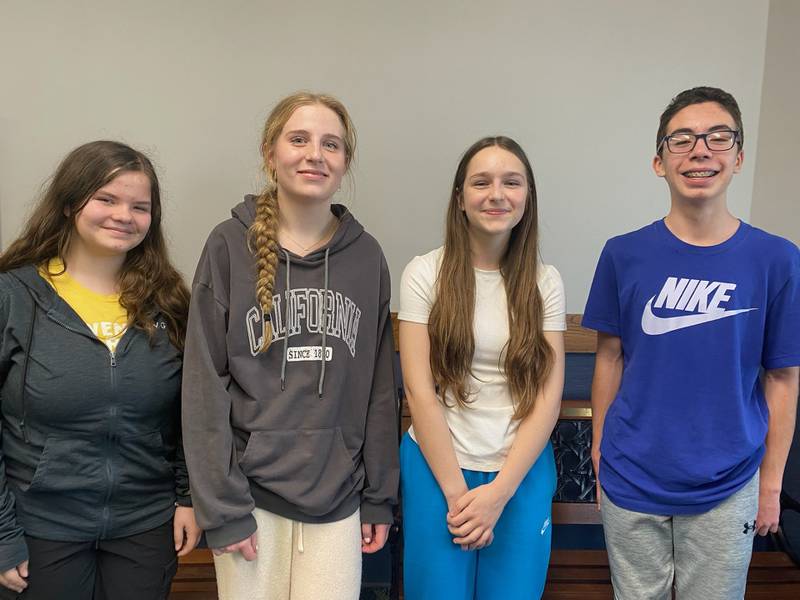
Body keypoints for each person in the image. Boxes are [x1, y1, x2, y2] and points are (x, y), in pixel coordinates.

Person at [584, 86, 800, 599]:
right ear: (659, 161)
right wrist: (598, 455)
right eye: (681, 140)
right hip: (631, 475)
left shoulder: (777, 259)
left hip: (727, 482)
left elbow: (784, 377)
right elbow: (609, 359)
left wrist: (771, 483)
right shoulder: (623, 254)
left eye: (717, 137)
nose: (699, 150)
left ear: (738, 157)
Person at [182, 91, 398, 600]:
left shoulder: (366, 257)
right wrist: (223, 507)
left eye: (332, 144)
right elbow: (202, 385)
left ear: (345, 163)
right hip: (247, 501)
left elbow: (380, 391)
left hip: (339, 499)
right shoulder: (227, 245)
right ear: (269, 152)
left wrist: (378, 498)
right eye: (298, 139)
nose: (314, 154)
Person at [0, 140, 201, 600]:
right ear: (70, 204)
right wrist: (2, 533)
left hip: (145, 526)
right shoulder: (12, 297)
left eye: (140, 206)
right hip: (39, 527)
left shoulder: (171, 303)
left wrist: (187, 498)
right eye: (106, 199)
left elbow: (191, 413)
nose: (123, 215)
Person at [398, 136, 566, 599]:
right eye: (481, 182)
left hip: (520, 472)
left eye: (512, 182)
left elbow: (548, 399)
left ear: (527, 198)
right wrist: (457, 496)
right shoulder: (423, 273)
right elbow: (418, 391)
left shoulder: (544, 281)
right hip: (437, 469)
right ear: (460, 198)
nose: (497, 194)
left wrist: (498, 494)